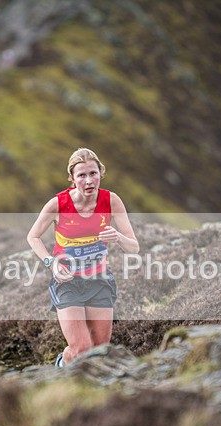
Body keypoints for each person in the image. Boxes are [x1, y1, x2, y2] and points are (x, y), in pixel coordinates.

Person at [27, 147, 139, 367]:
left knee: (99, 351)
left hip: (99, 281)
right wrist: (52, 263)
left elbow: (133, 247)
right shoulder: (58, 204)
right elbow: (33, 237)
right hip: (68, 283)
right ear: (72, 178)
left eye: (93, 173)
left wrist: (117, 236)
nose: (88, 181)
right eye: (82, 175)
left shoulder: (111, 201)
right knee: (81, 350)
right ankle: (62, 364)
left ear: (101, 173)